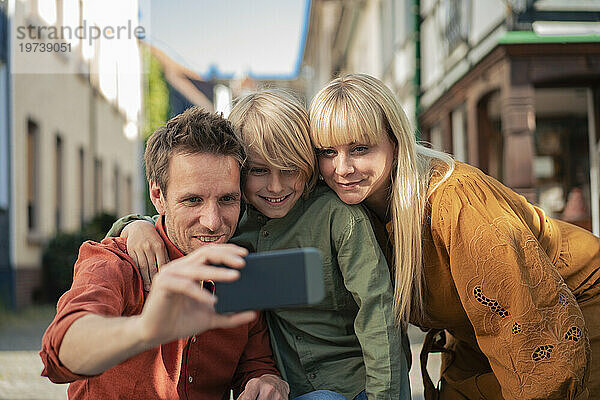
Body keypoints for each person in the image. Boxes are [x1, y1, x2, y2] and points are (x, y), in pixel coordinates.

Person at [308, 73, 600, 400]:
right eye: (327, 152)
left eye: (360, 148)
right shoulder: (352, 209)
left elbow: (525, 328)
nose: (342, 168)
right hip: (477, 335)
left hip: (572, 310)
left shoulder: (456, 200)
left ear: (395, 141)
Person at [106, 89, 411, 400]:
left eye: (289, 169)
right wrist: (134, 226)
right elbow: (176, 220)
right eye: (259, 171)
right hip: (288, 387)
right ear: (238, 172)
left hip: (356, 384)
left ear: (308, 164)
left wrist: (385, 397)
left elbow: (379, 314)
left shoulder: (339, 219)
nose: (275, 187)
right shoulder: (231, 219)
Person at [40, 107, 289, 400]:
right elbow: (63, 349)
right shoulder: (115, 263)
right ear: (158, 195)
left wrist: (268, 381)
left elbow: (256, 364)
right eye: (193, 200)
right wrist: (144, 330)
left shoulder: (241, 272)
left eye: (227, 199)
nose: (213, 221)